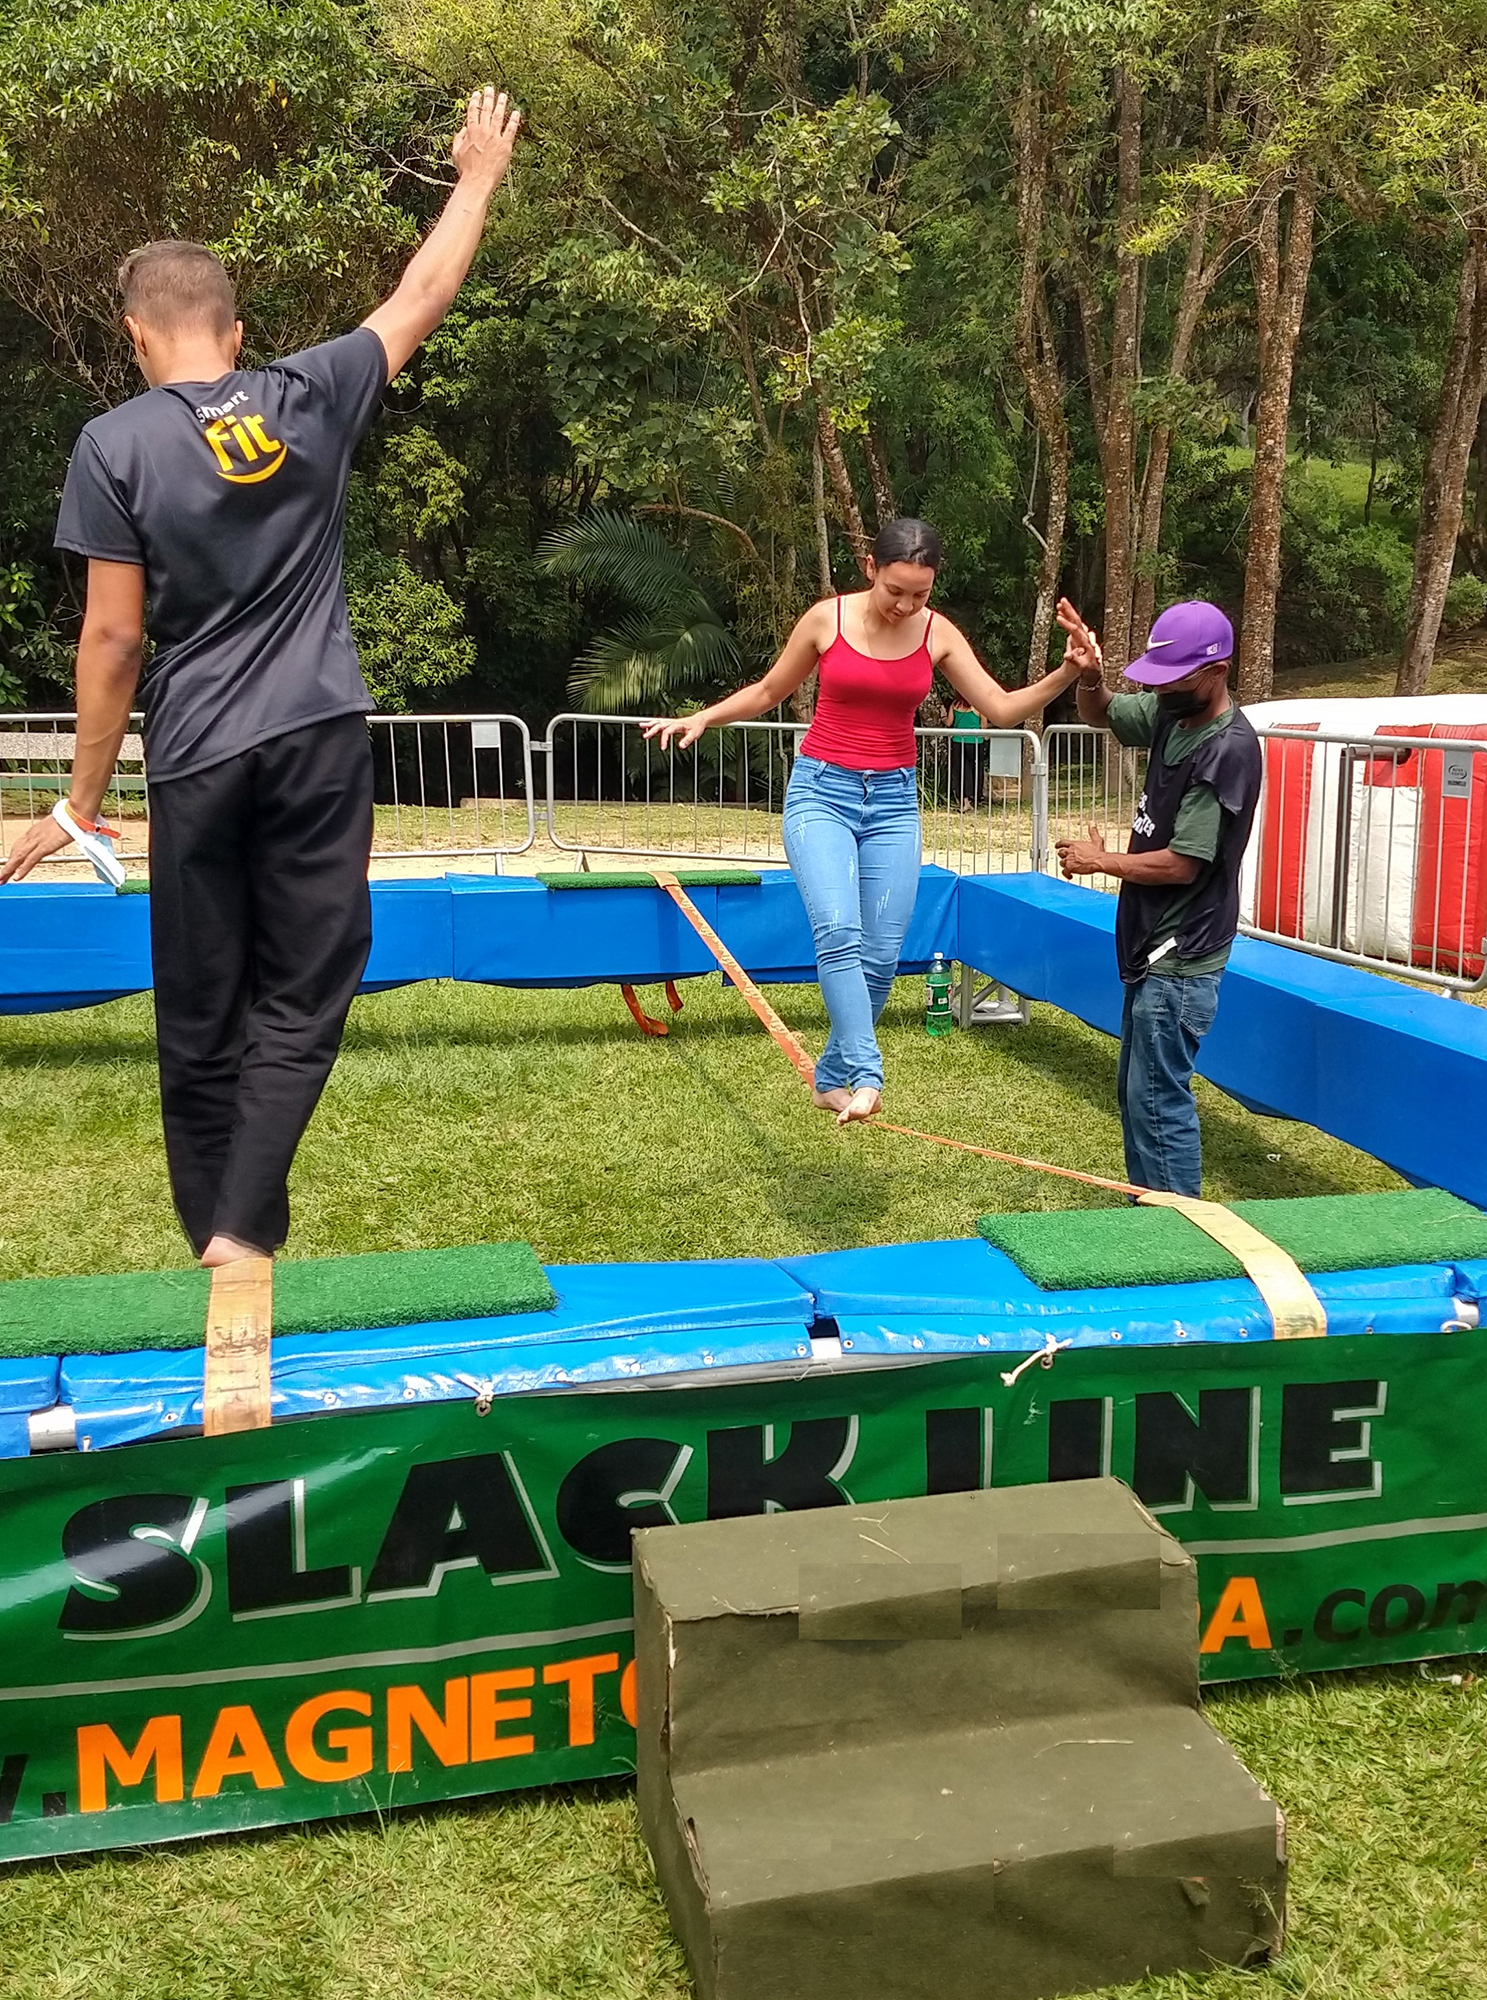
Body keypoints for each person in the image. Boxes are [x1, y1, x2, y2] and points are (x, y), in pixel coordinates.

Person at [0, 86, 522, 1267]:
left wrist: (78, 803)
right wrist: (478, 174)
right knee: (306, 983)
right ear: (234, 333)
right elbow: (421, 293)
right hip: (318, 736)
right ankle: (241, 1229)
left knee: (199, 1005)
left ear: (138, 337)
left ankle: (223, 1229)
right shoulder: (307, 394)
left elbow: (113, 642)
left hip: (199, 756)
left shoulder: (113, 444)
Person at [644, 519, 1084, 1124]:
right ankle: (867, 1070)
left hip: (893, 803)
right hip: (820, 794)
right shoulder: (826, 620)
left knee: (881, 956)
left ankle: (830, 1075)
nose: (905, 605)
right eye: (895, 590)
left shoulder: (937, 633)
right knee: (838, 932)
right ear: (871, 568)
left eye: (920, 594)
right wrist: (703, 717)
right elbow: (769, 691)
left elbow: (1002, 708)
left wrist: (1068, 672)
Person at [1053, 598, 1262, 1196]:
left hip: (1182, 955)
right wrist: (1089, 675)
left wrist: (1101, 861)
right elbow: (1102, 713)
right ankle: (1152, 1217)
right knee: (1138, 1096)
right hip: (1153, 949)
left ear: (1216, 671)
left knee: (1158, 1102)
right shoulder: (1175, 711)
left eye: (1175, 680)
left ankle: (1180, 1231)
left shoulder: (1225, 751)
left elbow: (1182, 864)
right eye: (1158, 680)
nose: (1162, 691)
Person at [945, 692, 986, 809]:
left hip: (958, 741)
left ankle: (964, 799)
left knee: (961, 770)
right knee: (976, 770)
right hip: (975, 742)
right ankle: (976, 796)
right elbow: (984, 726)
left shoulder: (955, 705)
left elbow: (949, 722)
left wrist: (943, 718)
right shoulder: (979, 706)